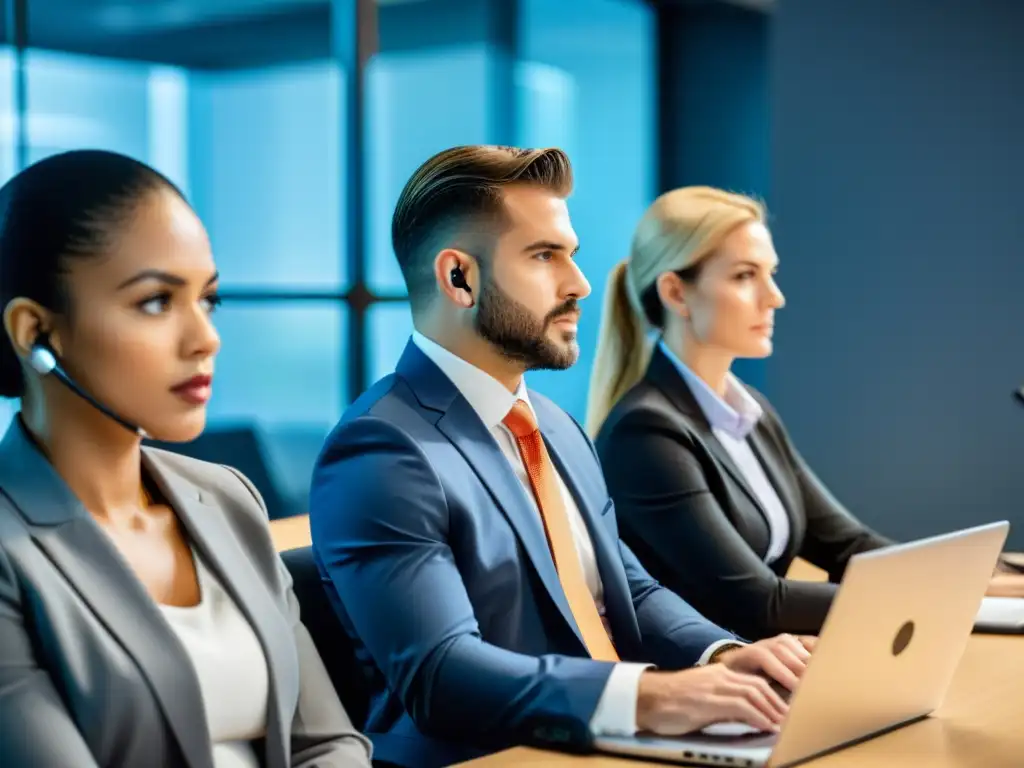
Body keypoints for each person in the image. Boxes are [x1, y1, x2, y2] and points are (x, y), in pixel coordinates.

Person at [310, 146, 814, 768]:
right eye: (545, 256)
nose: (578, 283)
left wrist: (723, 656)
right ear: (459, 277)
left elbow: (628, 587)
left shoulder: (554, 425)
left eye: (570, 255)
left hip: (609, 742)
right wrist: (651, 698)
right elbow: (441, 672)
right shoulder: (382, 448)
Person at [0, 150, 372, 768]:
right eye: (155, 302)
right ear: (36, 331)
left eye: (209, 300)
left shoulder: (227, 498)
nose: (205, 338)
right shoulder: (11, 554)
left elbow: (328, 742)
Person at [587, 185, 1024, 641]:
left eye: (770, 273)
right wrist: (948, 595)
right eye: (744, 276)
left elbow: (849, 547)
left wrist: (985, 582)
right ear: (676, 292)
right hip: (714, 686)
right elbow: (760, 603)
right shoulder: (647, 433)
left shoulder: (751, 411)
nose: (774, 297)